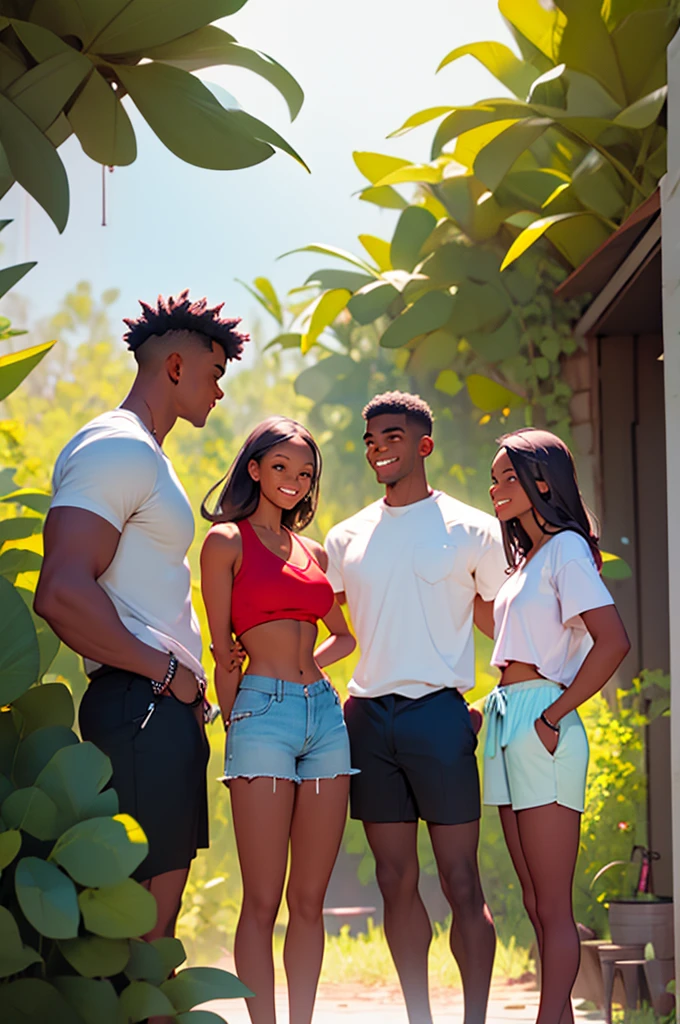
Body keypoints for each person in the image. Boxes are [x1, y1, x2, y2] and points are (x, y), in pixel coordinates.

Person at [34, 292, 248, 951]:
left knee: (154, 931)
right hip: (141, 709)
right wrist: (164, 674)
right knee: (138, 936)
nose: (219, 392)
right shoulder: (117, 448)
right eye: (213, 375)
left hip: (158, 712)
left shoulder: (146, 458)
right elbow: (62, 590)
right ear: (176, 368)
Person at [324, 391, 507, 1024]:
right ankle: (419, 1018)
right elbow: (325, 628)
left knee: (461, 882)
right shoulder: (344, 537)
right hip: (367, 721)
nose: (379, 448)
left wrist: (492, 700)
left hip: (439, 717)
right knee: (393, 881)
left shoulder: (472, 529)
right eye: (372, 438)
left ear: (423, 445)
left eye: (393, 437)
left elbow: (507, 629)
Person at [200, 416, 357, 1024]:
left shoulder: (314, 553)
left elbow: (341, 638)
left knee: (310, 901)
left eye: (305, 473)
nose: (294, 481)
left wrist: (307, 675)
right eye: (282, 468)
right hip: (260, 715)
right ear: (255, 469)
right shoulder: (226, 542)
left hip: (323, 717)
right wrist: (239, 714)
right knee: (263, 898)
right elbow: (222, 649)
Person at [482, 428, 630, 1024]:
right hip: (506, 722)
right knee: (535, 904)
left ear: (544, 483)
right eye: (493, 478)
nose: (496, 489)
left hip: (542, 721)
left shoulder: (568, 549)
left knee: (553, 901)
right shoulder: (527, 562)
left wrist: (552, 714)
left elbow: (613, 641)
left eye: (508, 477)